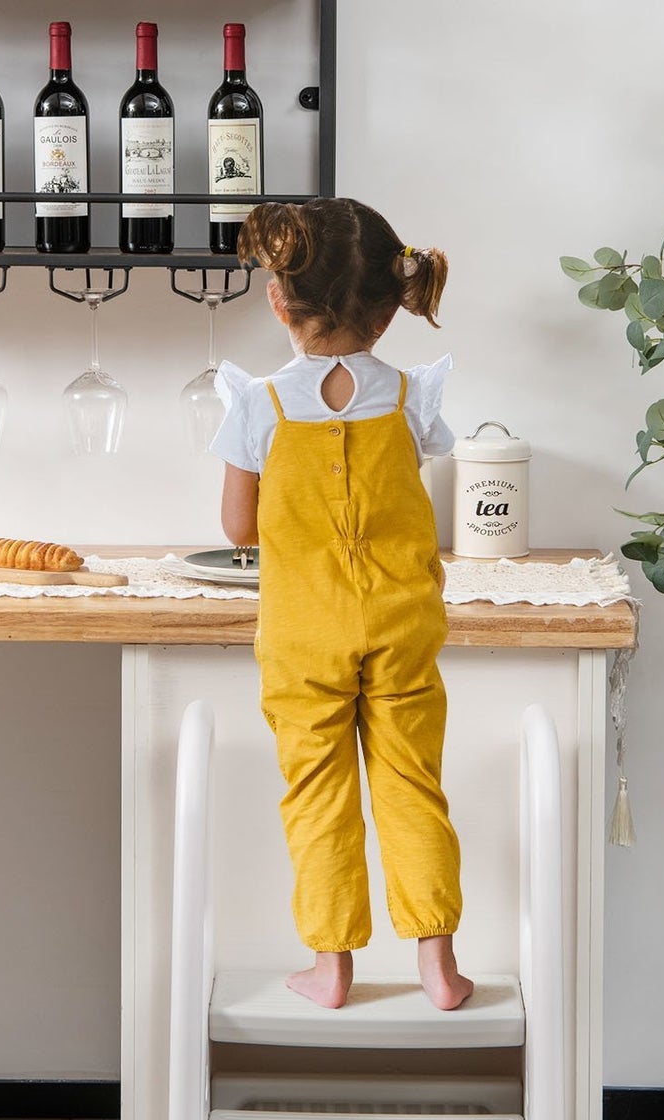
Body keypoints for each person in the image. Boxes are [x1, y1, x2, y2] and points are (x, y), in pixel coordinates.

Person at [211, 197, 472, 1011]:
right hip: (401, 623)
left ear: (277, 299)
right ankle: (437, 961)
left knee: (316, 791)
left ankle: (330, 966)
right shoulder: (407, 397)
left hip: (300, 633)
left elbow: (237, 525)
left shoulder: (257, 401)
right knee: (411, 782)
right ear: (392, 309)